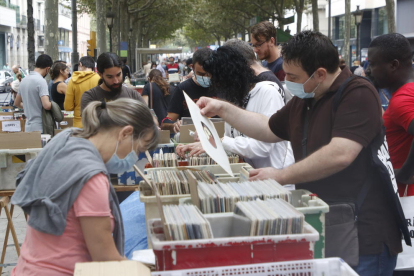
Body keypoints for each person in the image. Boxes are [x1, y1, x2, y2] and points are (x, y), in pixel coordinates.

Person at [194, 31, 407, 275]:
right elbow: (267, 127)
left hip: (364, 236)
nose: (288, 83)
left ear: (319, 74)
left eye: (294, 77)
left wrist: (280, 176)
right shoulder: (306, 97)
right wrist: (221, 108)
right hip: (330, 225)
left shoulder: (358, 93)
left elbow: (341, 153)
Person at [11, 98, 159, 276]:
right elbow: (106, 258)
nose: (136, 157)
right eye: (139, 149)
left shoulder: (66, 139)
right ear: (125, 133)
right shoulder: (91, 177)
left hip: (28, 267)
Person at [176, 46, 294, 170]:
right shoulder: (235, 96)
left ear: (230, 78)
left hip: (276, 178)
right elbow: (233, 140)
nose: (217, 87)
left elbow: (263, 147)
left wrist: (219, 141)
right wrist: (206, 144)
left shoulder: (268, 92)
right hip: (252, 174)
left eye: (219, 81)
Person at [367, 33, 414, 197]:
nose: (368, 70)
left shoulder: (402, 99)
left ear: (393, 65)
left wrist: (405, 173)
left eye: (372, 64)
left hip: (405, 197)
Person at [161, 47, 214, 133]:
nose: (205, 77)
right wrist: (174, 125)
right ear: (192, 68)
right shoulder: (182, 89)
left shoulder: (222, 87)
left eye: (209, 74)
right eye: (201, 74)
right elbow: (165, 123)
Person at [81, 52, 145, 112]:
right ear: (100, 75)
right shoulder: (90, 97)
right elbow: (88, 123)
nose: (116, 81)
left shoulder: (133, 95)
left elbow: (151, 119)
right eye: (110, 77)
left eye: (118, 75)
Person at [14, 54, 53, 132]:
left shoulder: (24, 80)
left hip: (28, 126)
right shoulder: (41, 81)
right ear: (47, 69)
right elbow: (46, 105)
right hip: (40, 126)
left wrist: (29, 107)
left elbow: (17, 103)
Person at [64, 56, 100, 128]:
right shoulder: (99, 79)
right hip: (96, 122)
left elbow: (68, 107)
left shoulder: (73, 81)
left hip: (79, 123)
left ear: (80, 64)